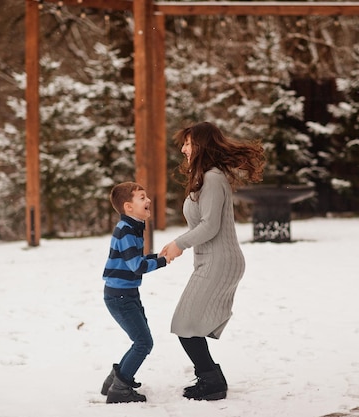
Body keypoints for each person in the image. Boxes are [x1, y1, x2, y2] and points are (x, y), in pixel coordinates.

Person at [160, 121, 265, 401]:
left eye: (189, 143)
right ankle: (210, 379)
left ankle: (212, 382)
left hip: (221, 260)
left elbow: (210, 226)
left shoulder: (213, 178)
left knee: (186, 324)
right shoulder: (206, 177)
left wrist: (177, 245)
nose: (183, 149)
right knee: (188, 324)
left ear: (202, 145)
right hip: (211, 260)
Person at [100, 182, 169, 404]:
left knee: (140, 340)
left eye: (146, 196)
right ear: (128, 207)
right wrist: (161, 261)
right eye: (142, 197)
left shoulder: (132, 226)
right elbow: (136, 266)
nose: (148, 200)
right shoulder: (126, 230)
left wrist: (158, 256)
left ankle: (113, 381)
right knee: (143, 342)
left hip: (126, 294)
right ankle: (120, 390)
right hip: (119, 297)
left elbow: (136, 260)